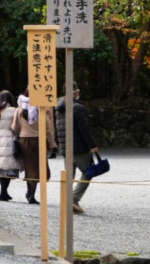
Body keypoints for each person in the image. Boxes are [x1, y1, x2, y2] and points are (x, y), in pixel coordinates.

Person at [55, 86, 99, 214]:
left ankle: (67, 200)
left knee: (69, 175)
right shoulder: (77, 108)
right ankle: (73, 198)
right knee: (88, 172)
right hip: (79, 147)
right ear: (74, 92)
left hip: (65, 147)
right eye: (78, 91)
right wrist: (92, 144)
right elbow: (83, 129)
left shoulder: (59, 108)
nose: (79, 93)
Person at [11, 88, 55, 206]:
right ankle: (31, 194)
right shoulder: (41, 109)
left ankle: (30, 193)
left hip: (24, 141)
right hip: (39, 141)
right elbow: (48, 130)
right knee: (39, 167)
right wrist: (52, 144)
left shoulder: (19, 110)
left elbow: (15, 128)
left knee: (30, 168)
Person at [0, 90, 22, 201]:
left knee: (1, 166)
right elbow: (16, 127)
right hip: (9, 139)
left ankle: (3, 192)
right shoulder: (14, 111)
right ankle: (3, 192)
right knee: (8, 167)